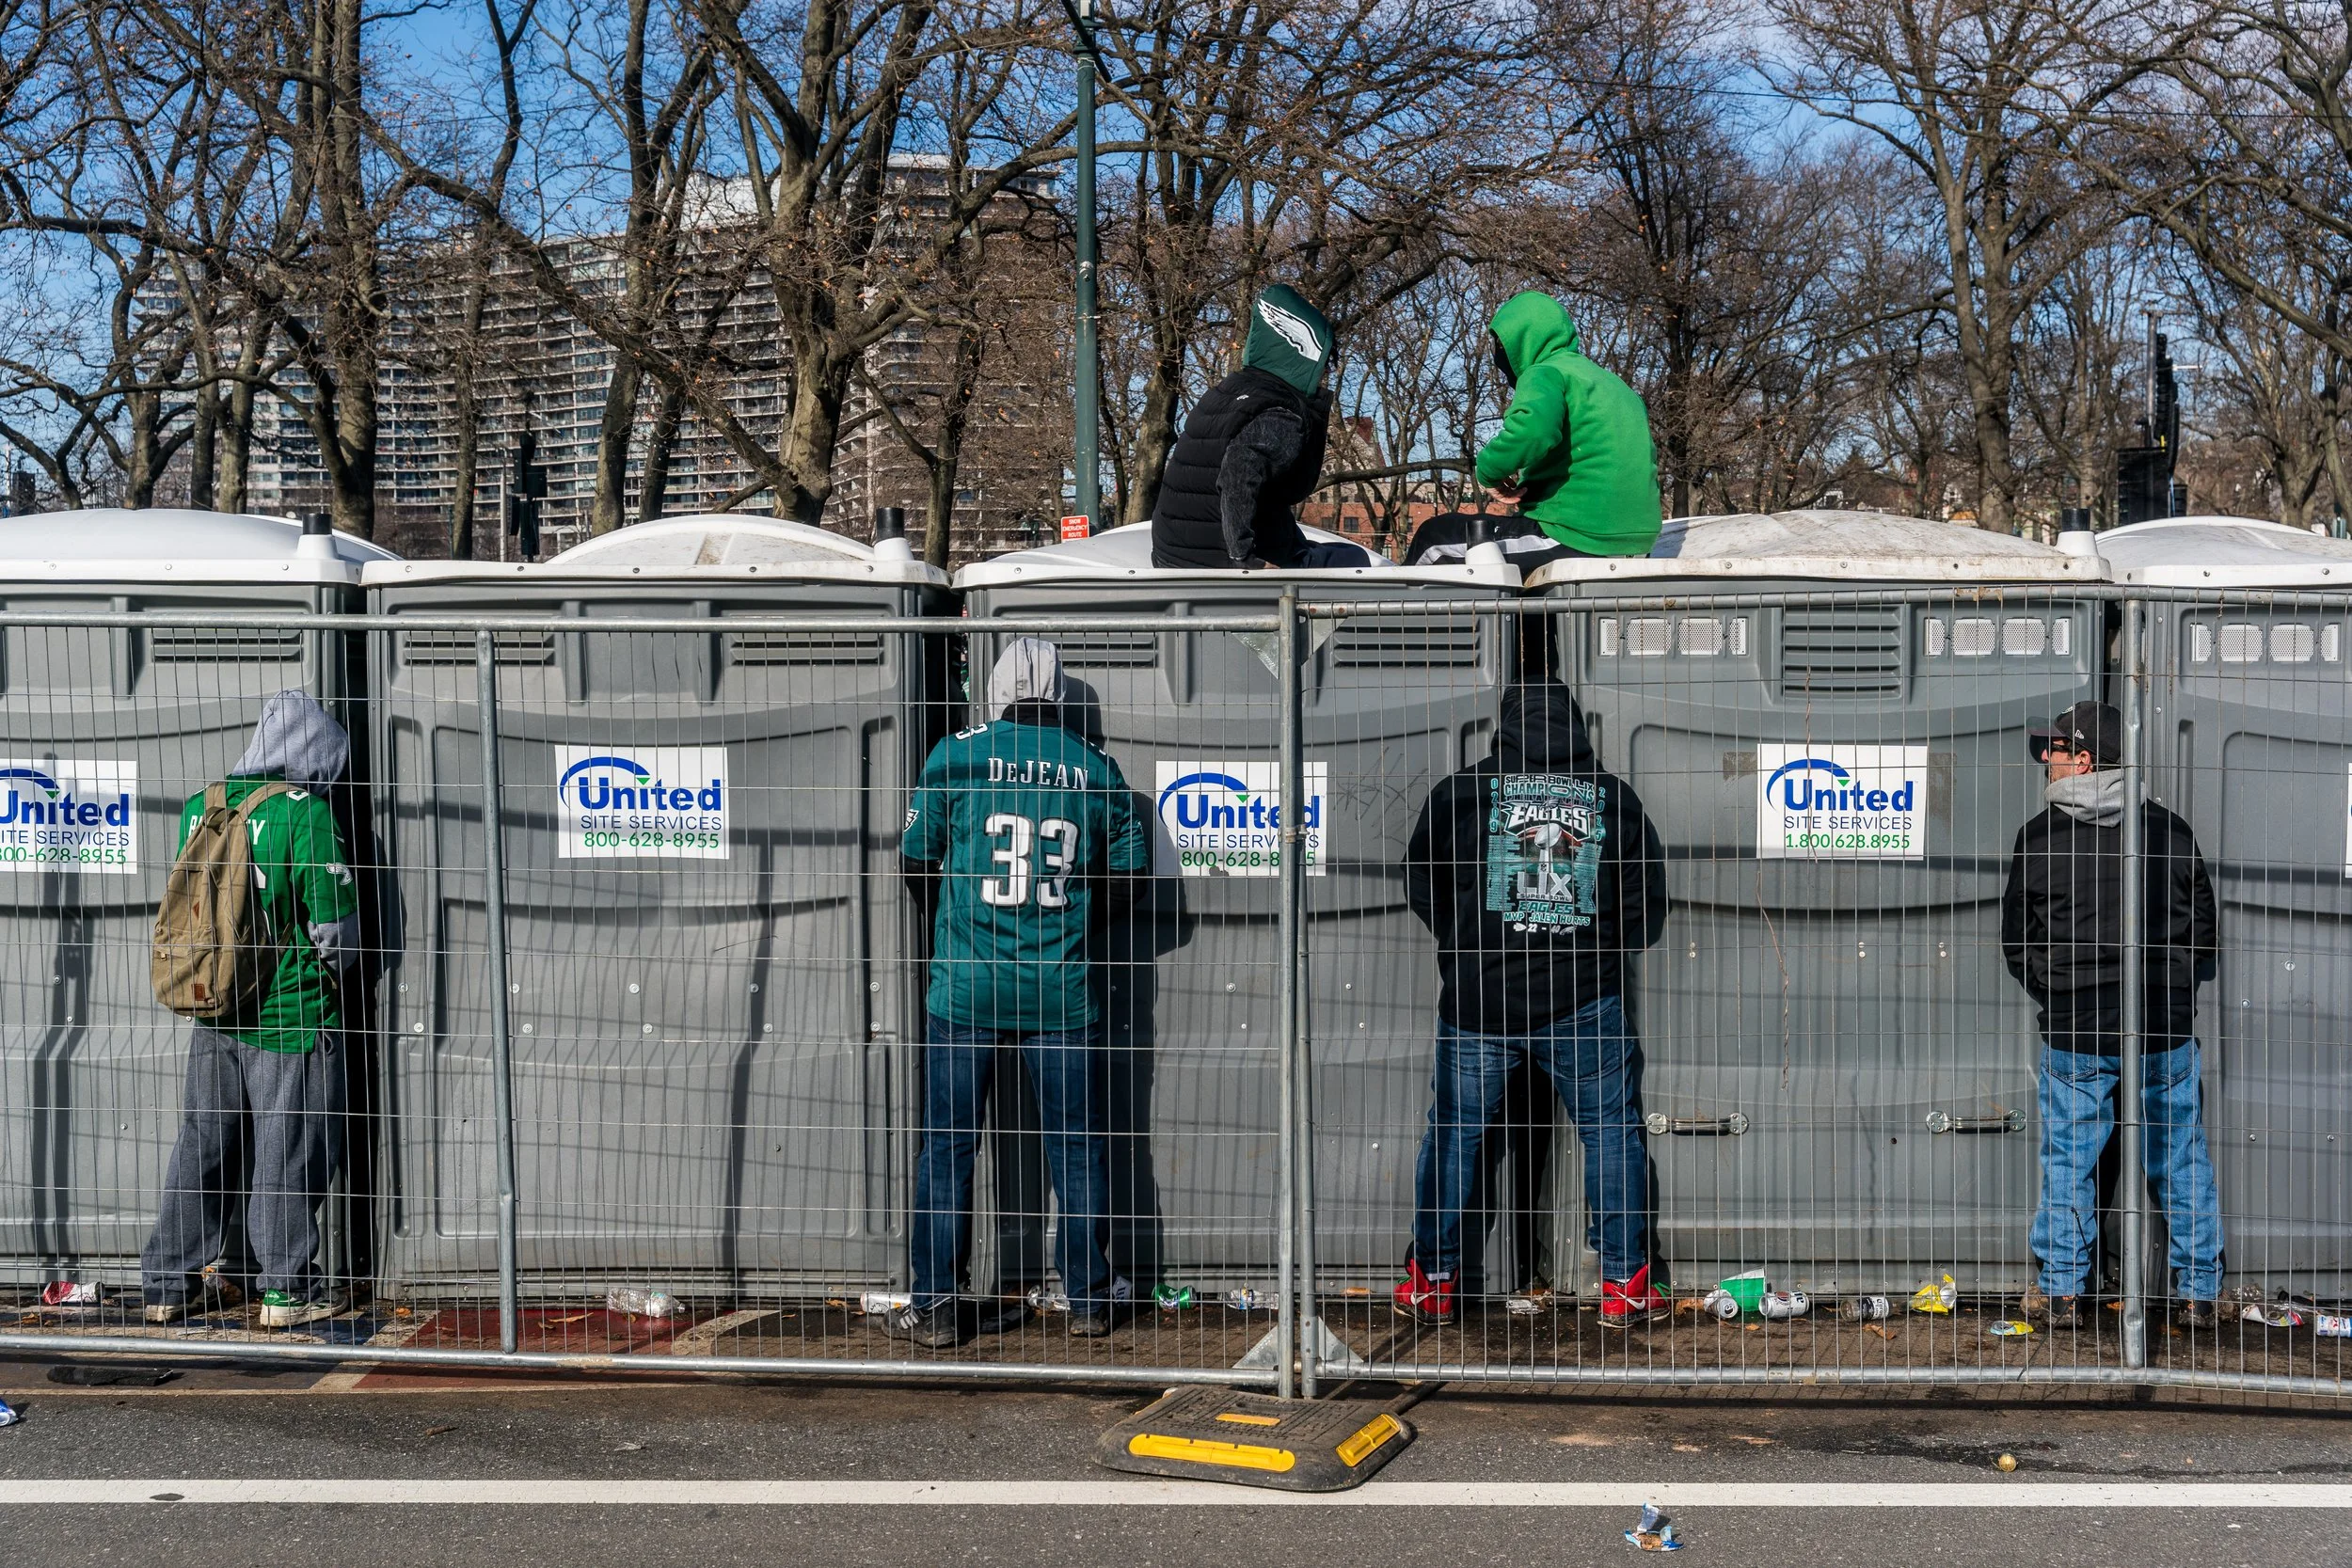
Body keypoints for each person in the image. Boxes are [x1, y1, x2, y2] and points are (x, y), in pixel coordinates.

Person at [887, 639, 1150, 1346]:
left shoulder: (956, 754)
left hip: (966, 986)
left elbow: (914, 864)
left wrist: (963, 923)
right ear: (1059, 695)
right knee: (1077, 1144)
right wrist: (1062, 923)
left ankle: (936, 1305)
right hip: (1059, 989)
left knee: (947, 1147)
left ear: (994, 688)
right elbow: (1128, 884)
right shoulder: (1095, 768)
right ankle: (1089, 1298)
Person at [1394, 677, 1669, 1325]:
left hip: (1477, 1001)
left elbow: (1419, 881)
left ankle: (1433, 1279)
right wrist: (1591, 943)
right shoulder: (1610, 799)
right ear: (1576, 726)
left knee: (1456, 1137)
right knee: (1611, 1134)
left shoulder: (1463, 793)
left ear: (1505, 727)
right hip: (1581, 999)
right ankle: (1625, 1286)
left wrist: (1467, 942)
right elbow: (1641, 910)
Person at [2000, 699, 2223, 1329]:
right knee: (2180, 1156)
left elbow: (2018, 942)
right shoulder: (2172, 831)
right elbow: (2202, 933)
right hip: (2163, 1026)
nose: (2045, 761)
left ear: (2087, 760)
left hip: (2076, 1028)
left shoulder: (2038, 837)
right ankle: (2198, 1293)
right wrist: (2171, 988)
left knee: (2070, 1160)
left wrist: (2059, 990)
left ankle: (2065, 1293)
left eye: (2055, 750)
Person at [142, 690, 361, 1329]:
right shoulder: (306, 814)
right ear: (315, 753)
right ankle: (287, 1290)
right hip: (289, 1017)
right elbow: (334, 933)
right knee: (286, 1147)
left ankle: (166, 1283)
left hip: (214, 1009)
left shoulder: (202, 806)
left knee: (202, 1143)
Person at [1418, 291, 1660, 570]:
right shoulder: (1617, 387)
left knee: (1433, 538)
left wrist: (1489, 471)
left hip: (1574, 536)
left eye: (1500, 345)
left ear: (1519, 341)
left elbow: (1533, 432)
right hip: (1637, 544)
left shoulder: (1546, 372)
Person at [1149, 284, 1375, 570]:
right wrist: (1246, 559)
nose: (1325, 375)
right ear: (1302, 355)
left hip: (1172, 557)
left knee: (1318, 549)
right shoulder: (1282, 412)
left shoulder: (1229, 391)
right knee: (1355, 559)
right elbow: (1237, 473)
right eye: (1324, 365)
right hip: (1220, 564)